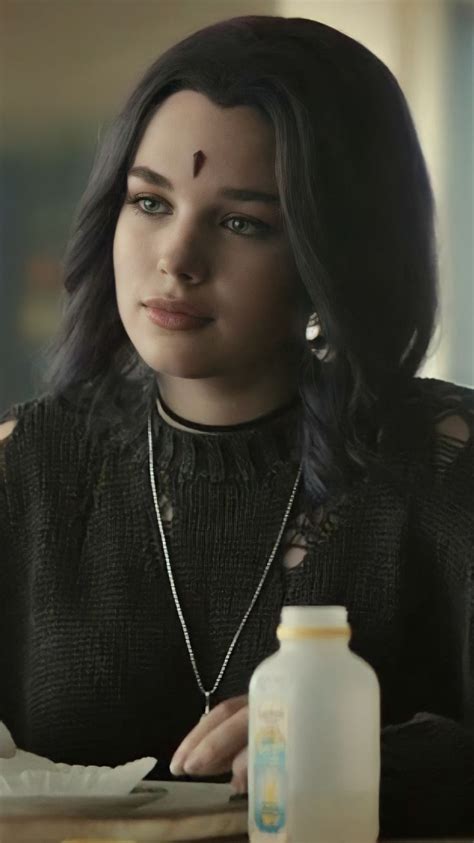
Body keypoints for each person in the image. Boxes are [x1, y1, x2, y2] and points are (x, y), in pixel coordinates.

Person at [0, 14, 472, 837]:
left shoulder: (445, 466)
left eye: (242, 222)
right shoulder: (27, 468)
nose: (175, 257)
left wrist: (364, 757)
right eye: (150, 201)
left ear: (337, 251)